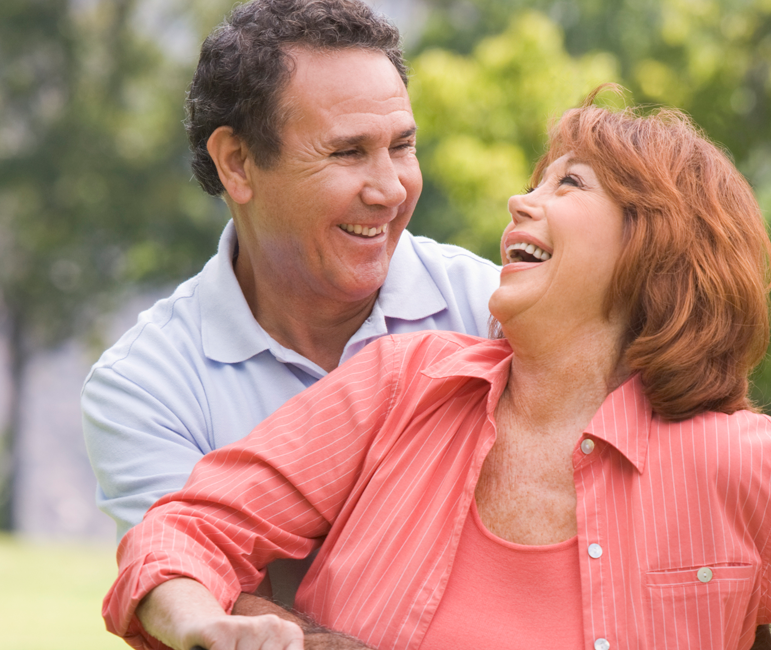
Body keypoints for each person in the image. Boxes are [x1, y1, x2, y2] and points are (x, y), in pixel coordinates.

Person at [102, 93, 771, 650]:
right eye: (536, 181)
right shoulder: (400, 383)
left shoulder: (746, 465)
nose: (520, 201)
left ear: (654, 248)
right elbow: (184, 530)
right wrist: (202, 624)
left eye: (569, 184)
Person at [81, 0, 498, 547]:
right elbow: (204, 598)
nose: (391, 190)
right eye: (347, 152)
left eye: (402, 146)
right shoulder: (147, 387)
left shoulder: (492, 309)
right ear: (237, 162)